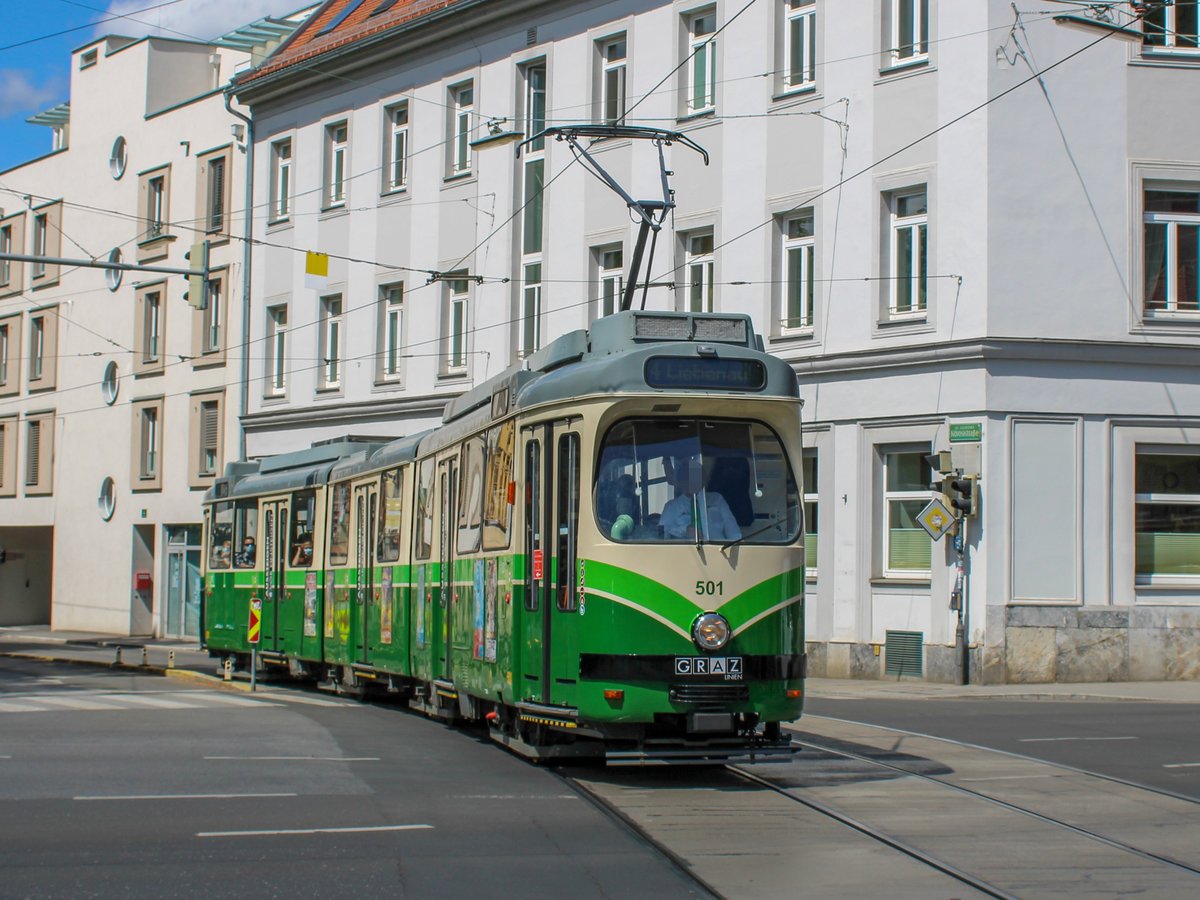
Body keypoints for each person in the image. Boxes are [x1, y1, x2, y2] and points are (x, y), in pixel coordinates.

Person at [660, 457, 742, 542]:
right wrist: (685, 529)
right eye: (688, 478)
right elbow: (662, 535)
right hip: (685, 552)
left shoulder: (717, 499)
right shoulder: (671, 507)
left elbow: (733, 530)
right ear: (681, 482)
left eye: (698, 477)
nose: (693, 482)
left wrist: (737, 546)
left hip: (720, 550)